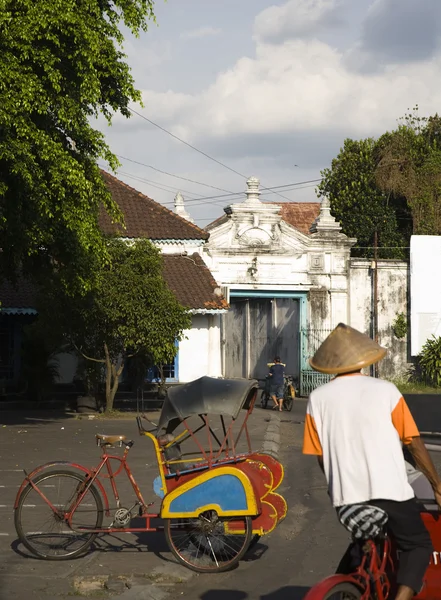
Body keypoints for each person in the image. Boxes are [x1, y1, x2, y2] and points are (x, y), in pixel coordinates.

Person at [302, 323, 440, 600]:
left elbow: (321, 457)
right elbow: (413, 443)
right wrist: (436, 485)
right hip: (390, 493)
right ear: (364, 360)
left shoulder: (317, 399)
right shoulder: (386, 390)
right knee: (418, 545)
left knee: (364, 545)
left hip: (347, 500)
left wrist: (336, 487)